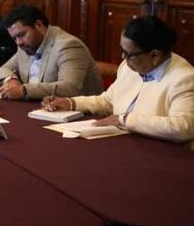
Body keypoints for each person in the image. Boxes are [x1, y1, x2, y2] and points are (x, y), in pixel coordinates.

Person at [43, 16, 194, 146]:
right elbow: (108, 102)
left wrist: (125, 120)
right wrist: (70, 103)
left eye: (128, 54)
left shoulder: (184, 78)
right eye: (122, 50)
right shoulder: (130, 67)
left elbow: (183, 127)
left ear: (155, 55)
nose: (123, 58)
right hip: (122, 144)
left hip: (161, 154)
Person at [0, 5, 103, 100]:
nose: (19, 42)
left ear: (39, 25)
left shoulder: (68, 45)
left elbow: (70, 87)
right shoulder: (26, 46)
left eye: (22, 34)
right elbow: (4, 69)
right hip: (40, 107)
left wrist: (24, 90)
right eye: (14, 38)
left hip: (77, 114)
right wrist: (12, 80)